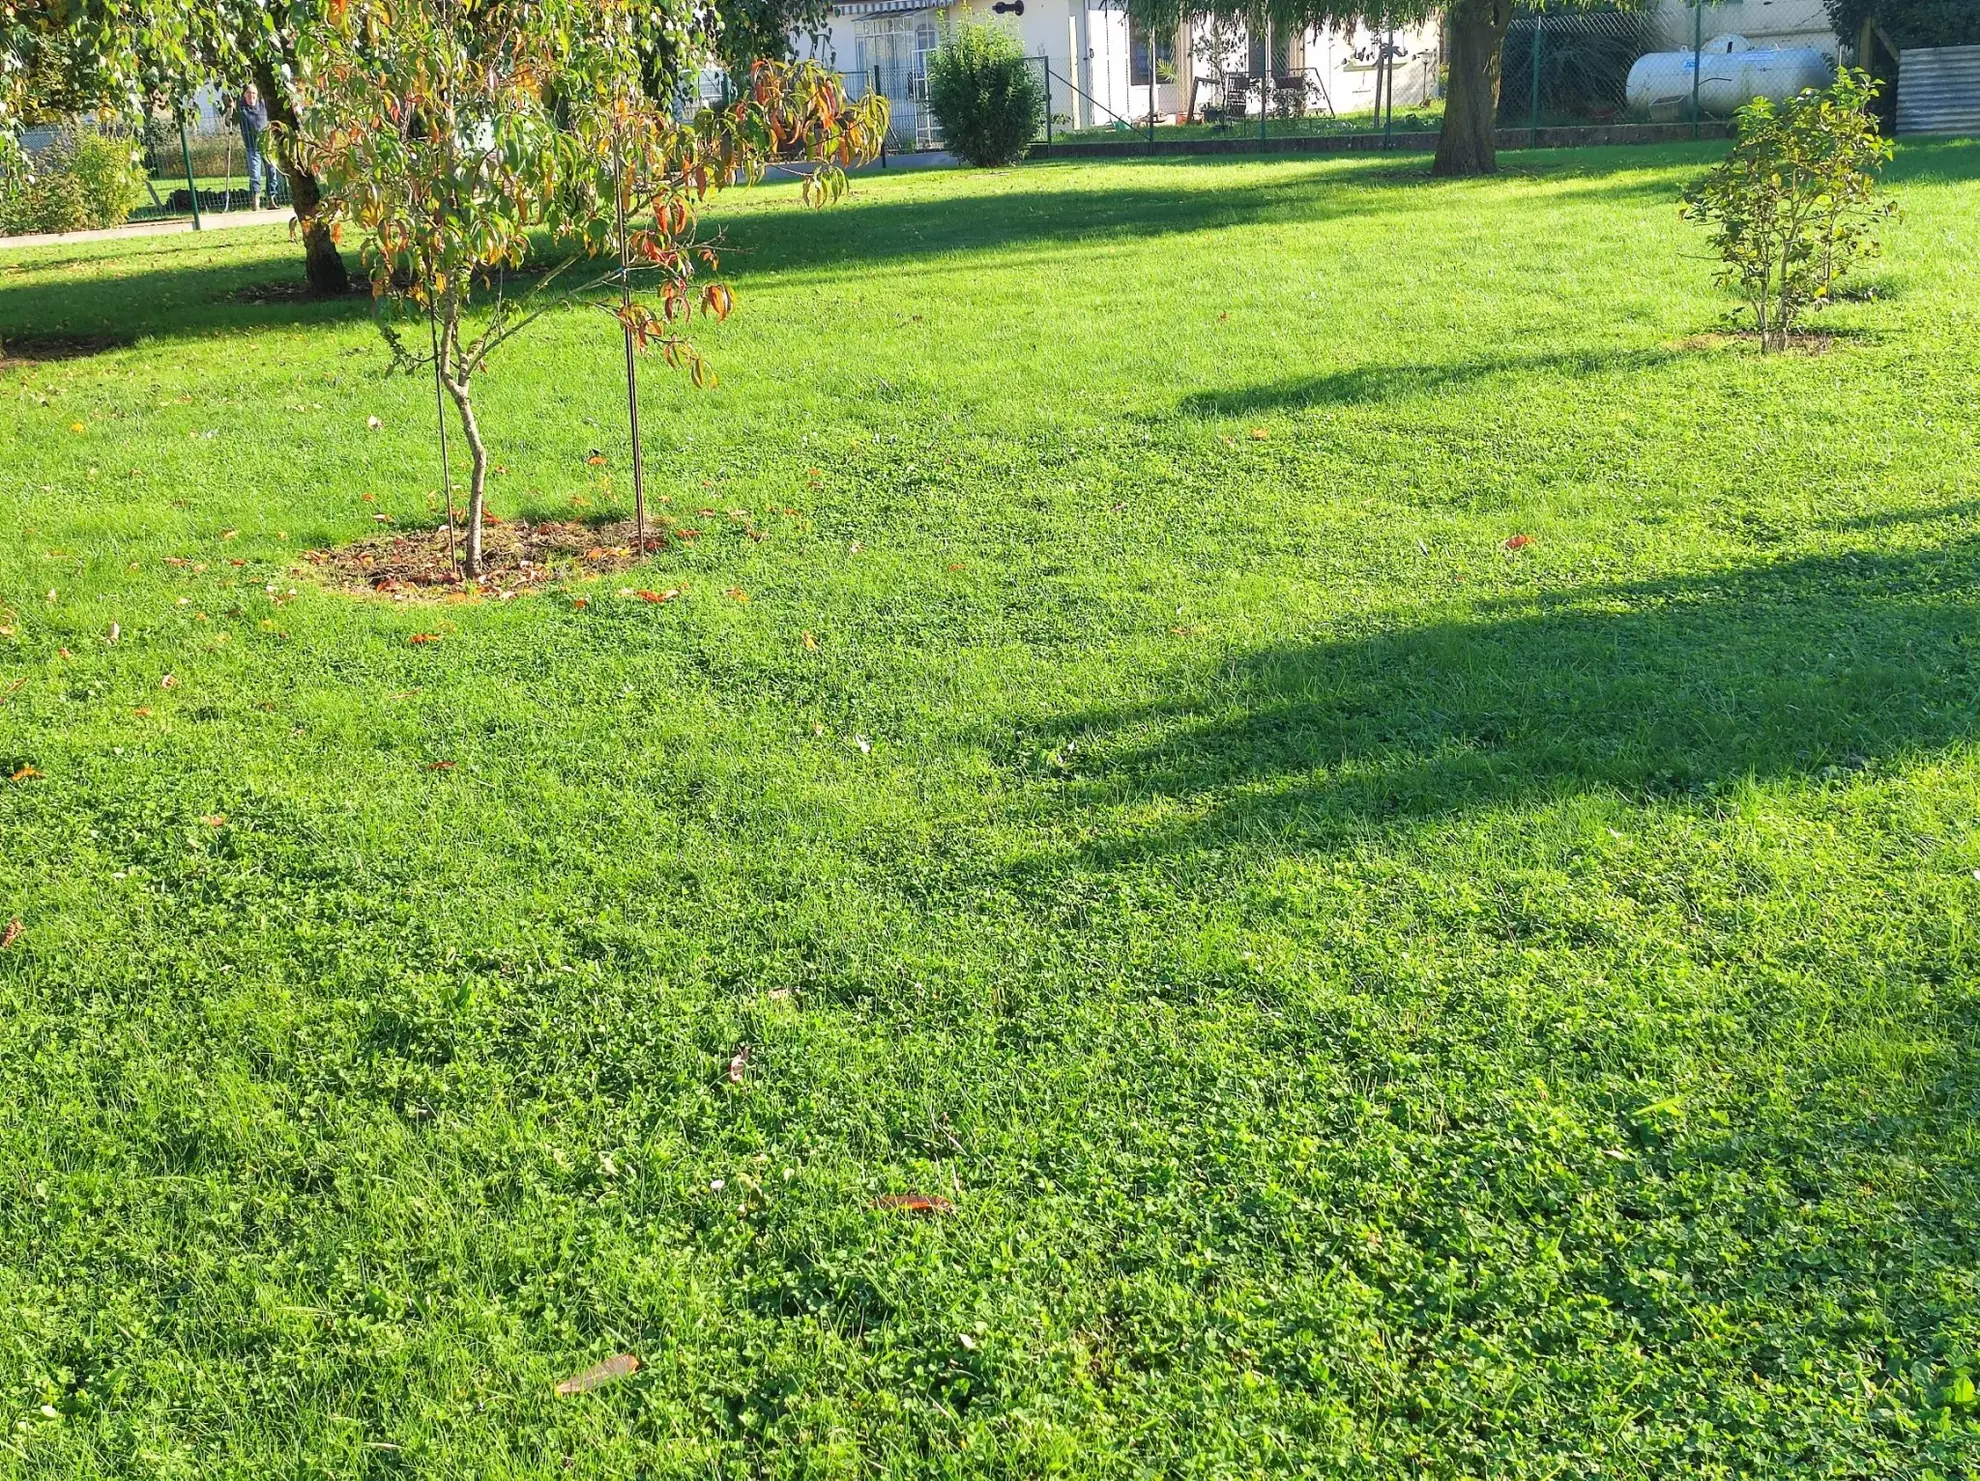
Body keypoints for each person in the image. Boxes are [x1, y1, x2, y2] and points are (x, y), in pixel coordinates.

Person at [234, 83, 271, 209]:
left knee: (272, 171)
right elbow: (229, 120)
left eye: (254, 93)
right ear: (244, 95)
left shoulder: (262, 105)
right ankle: (256, 201)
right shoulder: (241, 108)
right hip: (251, 146)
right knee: (255, 174)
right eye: (249, 93)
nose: (251, 96)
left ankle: (272, 199)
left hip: (267, 145)